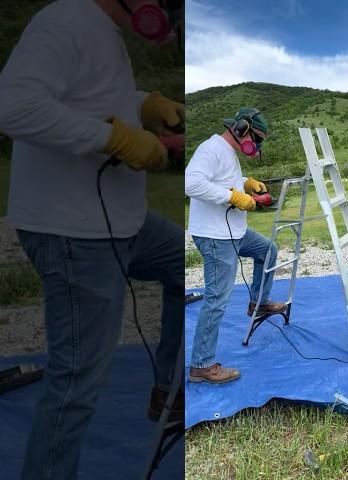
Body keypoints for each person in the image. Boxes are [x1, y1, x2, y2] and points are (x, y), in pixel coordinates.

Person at [0, 1, 184, 478]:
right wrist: (115, 139)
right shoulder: (65, 19)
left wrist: (143, 104)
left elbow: (87, 98)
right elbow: (14, 106)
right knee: (76, 385)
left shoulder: (104, 29)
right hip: (73, 233)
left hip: (121, 224)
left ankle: (169, 387)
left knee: (184, 261)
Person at [185, 107, 287, 384]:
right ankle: (202, 365)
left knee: (268, 250)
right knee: (217, 298)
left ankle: (259, 302)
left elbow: (222, 180)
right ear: (242, 129)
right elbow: (191, 183)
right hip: (215, 236)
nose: (258, 145)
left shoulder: (228, 153)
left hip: (233, 231)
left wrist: (246, 183)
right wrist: (233, 197)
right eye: (257, 138)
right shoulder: (211, 149)